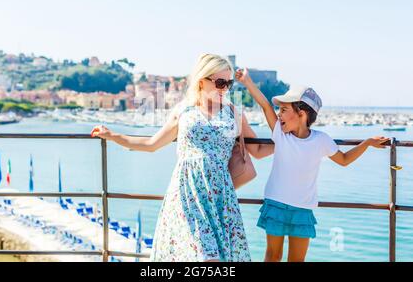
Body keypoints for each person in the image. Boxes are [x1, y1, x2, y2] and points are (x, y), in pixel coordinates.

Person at [91, 54, 273, 261]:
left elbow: (258, 150)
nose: (225, 89)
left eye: (229, 83)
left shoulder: (234, 113)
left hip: (219, 198)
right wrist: (113, 136)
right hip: (186, 194)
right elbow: (152, 144)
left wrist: (293, 139)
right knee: (205, 257)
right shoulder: (184, 111)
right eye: (220, 82)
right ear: (202, 81)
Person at [235, 67, 389, 262]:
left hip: (302, 209)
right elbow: (265, 105)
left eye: (284, 110)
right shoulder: (280, 134)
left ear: (302, 113)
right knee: (272, 256)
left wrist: (366, 143)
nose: (279, 115)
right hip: (276, 204)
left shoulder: (321, 140)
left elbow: (343, 160)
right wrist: (247, 81)